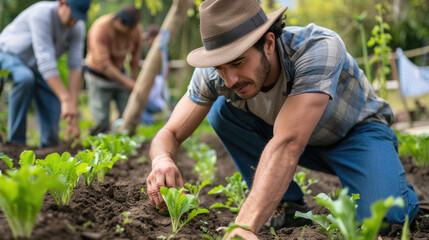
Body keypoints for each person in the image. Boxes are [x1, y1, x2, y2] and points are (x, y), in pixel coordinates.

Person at [146, 0, 420, 239]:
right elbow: (170, 131)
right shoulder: (216, 74)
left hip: (355, 135)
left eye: (238, 62)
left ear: (267, 43)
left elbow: (288, 142)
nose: (229, 79)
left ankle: (390, 183)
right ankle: (288, 205)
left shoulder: (317, 48)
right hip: (295, 142)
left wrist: (244, 227)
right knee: (221, 111)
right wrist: (162, 160)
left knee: (387, 218)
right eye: (220, 67)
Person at [0, 0, 90, 147]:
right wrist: (65, 99)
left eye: (78, 18)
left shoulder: (77, 28)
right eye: (72, 16)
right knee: (24, 78)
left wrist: (72, 108)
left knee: (54, 97)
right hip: (8, 54)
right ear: (62, 3)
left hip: (36, 68)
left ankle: (49, 146)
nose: (74, 21)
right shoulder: (41, 14)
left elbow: (75, 67)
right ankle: (16, 144)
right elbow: (46, 61)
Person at [84, 5, 142, 135]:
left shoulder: (135, 29)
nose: (130, 33)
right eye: (128, 30)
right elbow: (103, 64)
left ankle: (125, 145)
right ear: (119, 21)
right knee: (101, 121)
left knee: (128, 117)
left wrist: (133, 80)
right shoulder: (100, 28)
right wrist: (128, 83)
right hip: (98, 76)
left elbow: (134, 60)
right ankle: (97, 145)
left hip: (120, 75)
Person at [140, 25, 171, 125]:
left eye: (149, 39)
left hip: (157, 82)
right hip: (156, 82)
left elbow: (167, 65)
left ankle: (150, 121)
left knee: (142, 103)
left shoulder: (161, 50)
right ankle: (152, 119)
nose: (148, 42)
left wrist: (164, 78)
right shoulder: (155, 50)